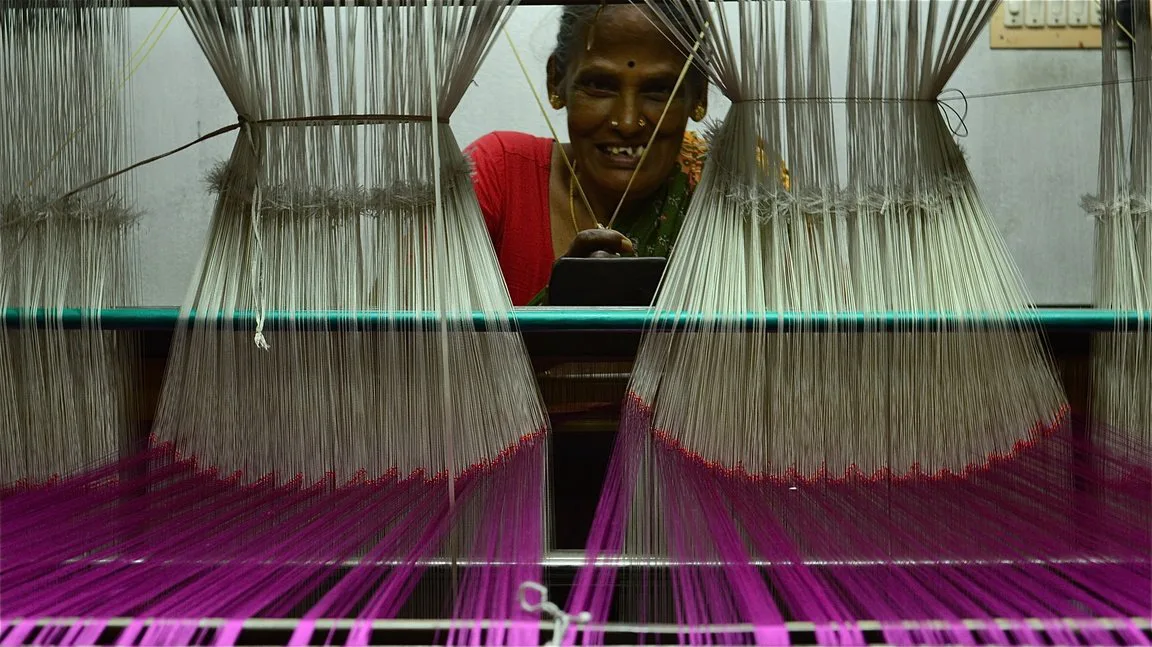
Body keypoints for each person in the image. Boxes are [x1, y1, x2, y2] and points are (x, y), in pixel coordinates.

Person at [466, 3, 710, 306]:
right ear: (556, 81)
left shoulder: (726, 200)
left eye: (660, 90)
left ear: (699, 94)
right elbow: (414, 342)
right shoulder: (499, 176)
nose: (628, 122)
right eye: (598, 86)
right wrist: (562, 305)